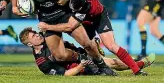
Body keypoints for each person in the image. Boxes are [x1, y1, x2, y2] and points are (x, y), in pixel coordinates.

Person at [12, 0, 116, 75]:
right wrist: (14, 7)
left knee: (87, 44)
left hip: (65, 16)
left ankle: (103, 67)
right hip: (47, 21)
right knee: (60, 56)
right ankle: (83, 58)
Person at [38, 0, 148, 75]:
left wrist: (48, 26)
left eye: (76, 9)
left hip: (98, 18)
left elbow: (70, 27)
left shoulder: (87, 7)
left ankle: (136, 70)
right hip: (84, 20)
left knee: (111, 46)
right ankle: (96, 46)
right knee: (88, 46)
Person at [19, 28, 155, 76]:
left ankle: (137, 64)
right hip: (81, 66)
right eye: (33, 36)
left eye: (35, 33)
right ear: (30, 44)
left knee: (111, 62)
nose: (37, 35)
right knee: (112, 63)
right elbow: (65, 74)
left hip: (81, 54)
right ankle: (140, 64)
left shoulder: (48, 38)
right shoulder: (42, 62)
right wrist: (80, 66)